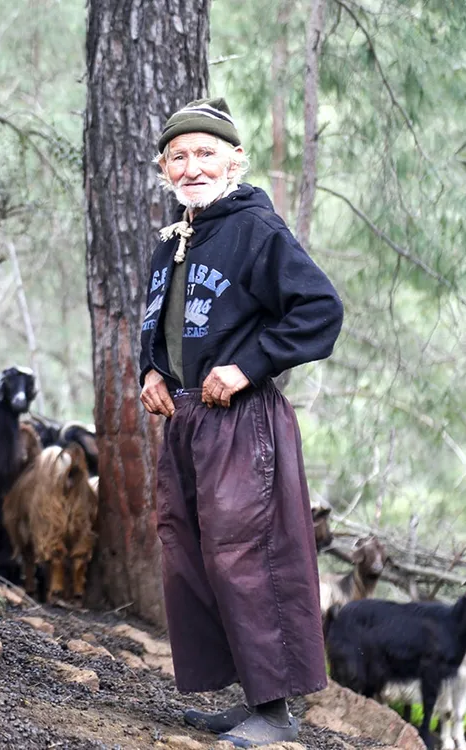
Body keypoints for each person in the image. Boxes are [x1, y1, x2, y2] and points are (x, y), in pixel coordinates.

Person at [138, 97, 344, 748]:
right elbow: (162, 329)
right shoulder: (176, 237)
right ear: (164, 167)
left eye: (205, 153)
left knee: (249, 559)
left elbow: (319, 310)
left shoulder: (256, 229)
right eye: (179, 156)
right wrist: (150, 373)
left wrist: (248, 365)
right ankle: (252, 698)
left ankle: (279, 713)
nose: (192, 167)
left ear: (235, 159)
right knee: (193, 558)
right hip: (188, 423)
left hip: (241, 423)